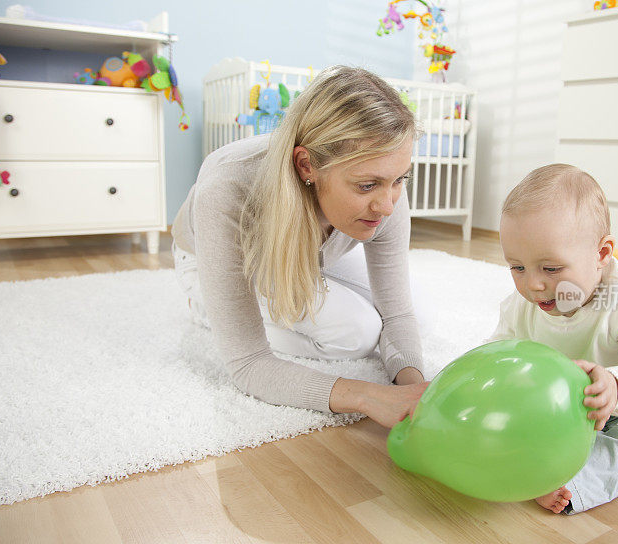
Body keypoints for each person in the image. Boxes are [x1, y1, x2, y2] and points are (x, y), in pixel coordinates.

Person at [171, 66, 428, 429]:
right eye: (367, 186)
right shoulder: (227, 189)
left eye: (400, 179)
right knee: (360, 332)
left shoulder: (385, 189)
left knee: (401, 311)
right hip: (212, 260)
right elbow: (249, 364)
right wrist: (368, 395)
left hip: (312, 256)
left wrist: (420, 394)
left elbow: (398, 313)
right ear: (307, 165)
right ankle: (205, 305)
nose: (388, 206)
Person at [489, 164, 618, 514]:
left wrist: (616, 385)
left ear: (601, 255)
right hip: (558, 411)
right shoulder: (520, 305)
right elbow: (496, 358)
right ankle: (539, 462)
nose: (533, 284)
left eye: (550, 269)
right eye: (517, 267)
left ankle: (570, 478)